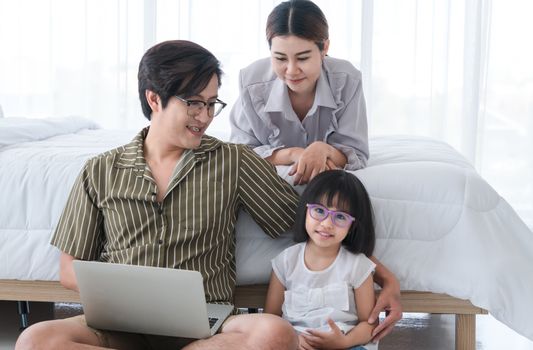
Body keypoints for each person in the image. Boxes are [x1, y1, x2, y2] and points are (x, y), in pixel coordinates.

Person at [16, 40, 301, 350]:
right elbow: (69, 269)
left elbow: (296, 223)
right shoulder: (100, 170)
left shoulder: (234, 160)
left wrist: (302, 157)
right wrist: (130, 298)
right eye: (193, 102)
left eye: (211, 103)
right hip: (120, 324)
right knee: (35, 341)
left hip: (206, 327)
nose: (204, 116)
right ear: (154, 98)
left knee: (275, 334)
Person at [230, 0, 402, 341]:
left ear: (325, 48)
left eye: (303, 57)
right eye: (280, 58)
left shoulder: (346, 79)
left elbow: (356, 152)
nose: (291, 69)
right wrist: (291, 153)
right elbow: (241, 154)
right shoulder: (251, 82)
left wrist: (326, 150)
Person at [265, 170, 378, 350]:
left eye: (340, 217)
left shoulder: (358, 265)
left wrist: (345, 342)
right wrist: (292, 339)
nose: (327, 224)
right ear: (305, 211)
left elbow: (369, 324)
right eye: (319, 210)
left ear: (353, 225)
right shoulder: (285, 261)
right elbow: (270, 319)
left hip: (346, 343)